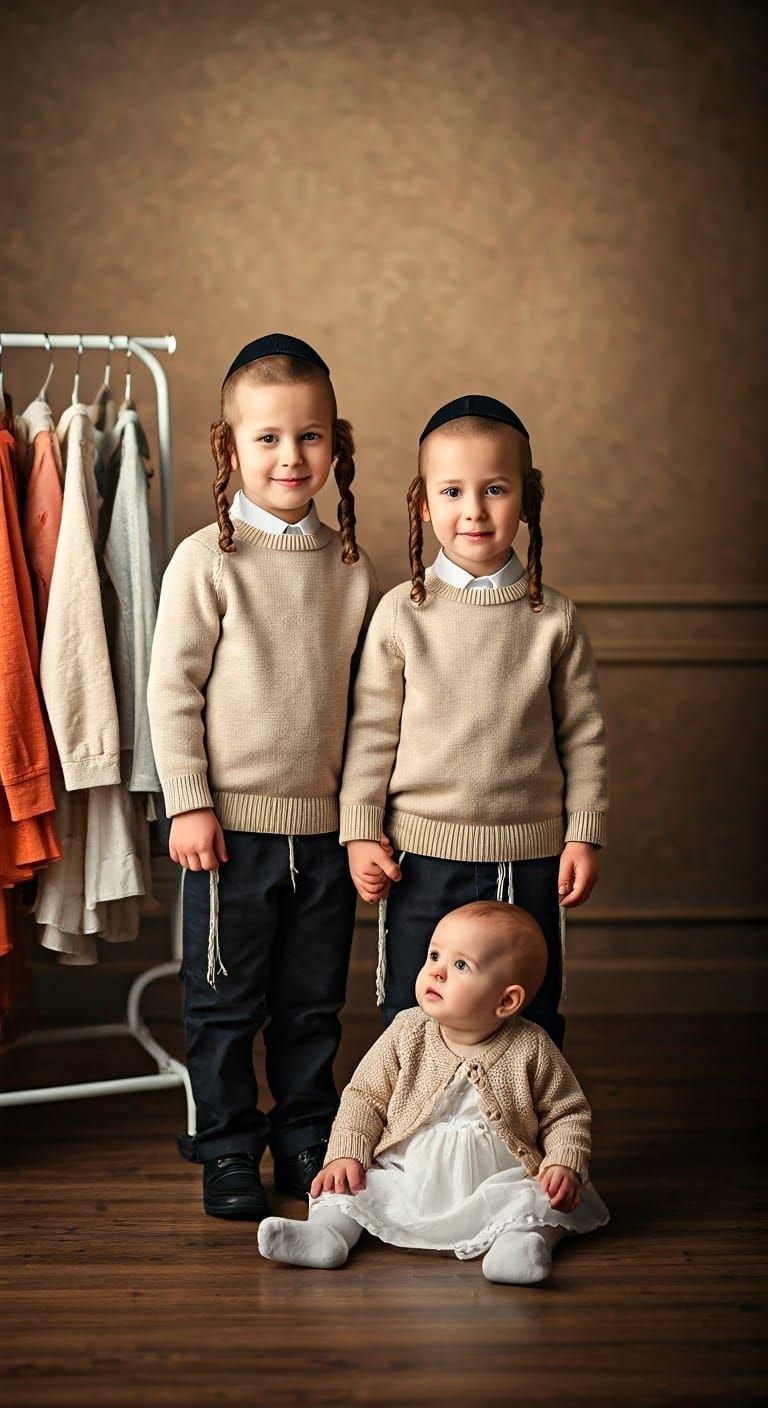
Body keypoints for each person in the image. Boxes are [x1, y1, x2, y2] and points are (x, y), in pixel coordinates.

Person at [147, 333, 378, 1220]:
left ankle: (305, 1134)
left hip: (321, 831)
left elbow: (368, 713)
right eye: (270, 437)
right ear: (230, 446)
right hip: (227, 835)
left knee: (310, 1003)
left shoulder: (351, 569)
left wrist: (357, 817)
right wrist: (190, 805)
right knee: (222, 1004)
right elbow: (173, 694)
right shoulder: (207, 560)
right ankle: (229, 1146)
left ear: (336, 445)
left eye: (311, 437)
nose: (292, 456)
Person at [339, 395, 608, 1046]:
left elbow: (584, 736)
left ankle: (524, 1139)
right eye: (453, 491)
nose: (475, 510)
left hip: (530, 854)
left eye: (495, 489)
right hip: (422, 856)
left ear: (526, 501)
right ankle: (419, 1143)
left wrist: (584, 834)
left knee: (529, 1015)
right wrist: (359, 830)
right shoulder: (402, 614)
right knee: (415, 1010)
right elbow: (372, 732)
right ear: (424, 504)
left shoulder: (555, 620)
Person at [258, 901, 608, 1282]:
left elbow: (567, 1113)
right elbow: (365, 1097)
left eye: (461, 966)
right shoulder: (407, 1031)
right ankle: (326, 1234)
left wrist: (562, 1163)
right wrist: (346, 1153)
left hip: (498, 1180)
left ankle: (520, 1247)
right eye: (435, 955)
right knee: (348, 1186)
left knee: (543, 1202)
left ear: (507, 1001)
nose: (436, 972)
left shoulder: (531, 1047)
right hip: (410, 1172)